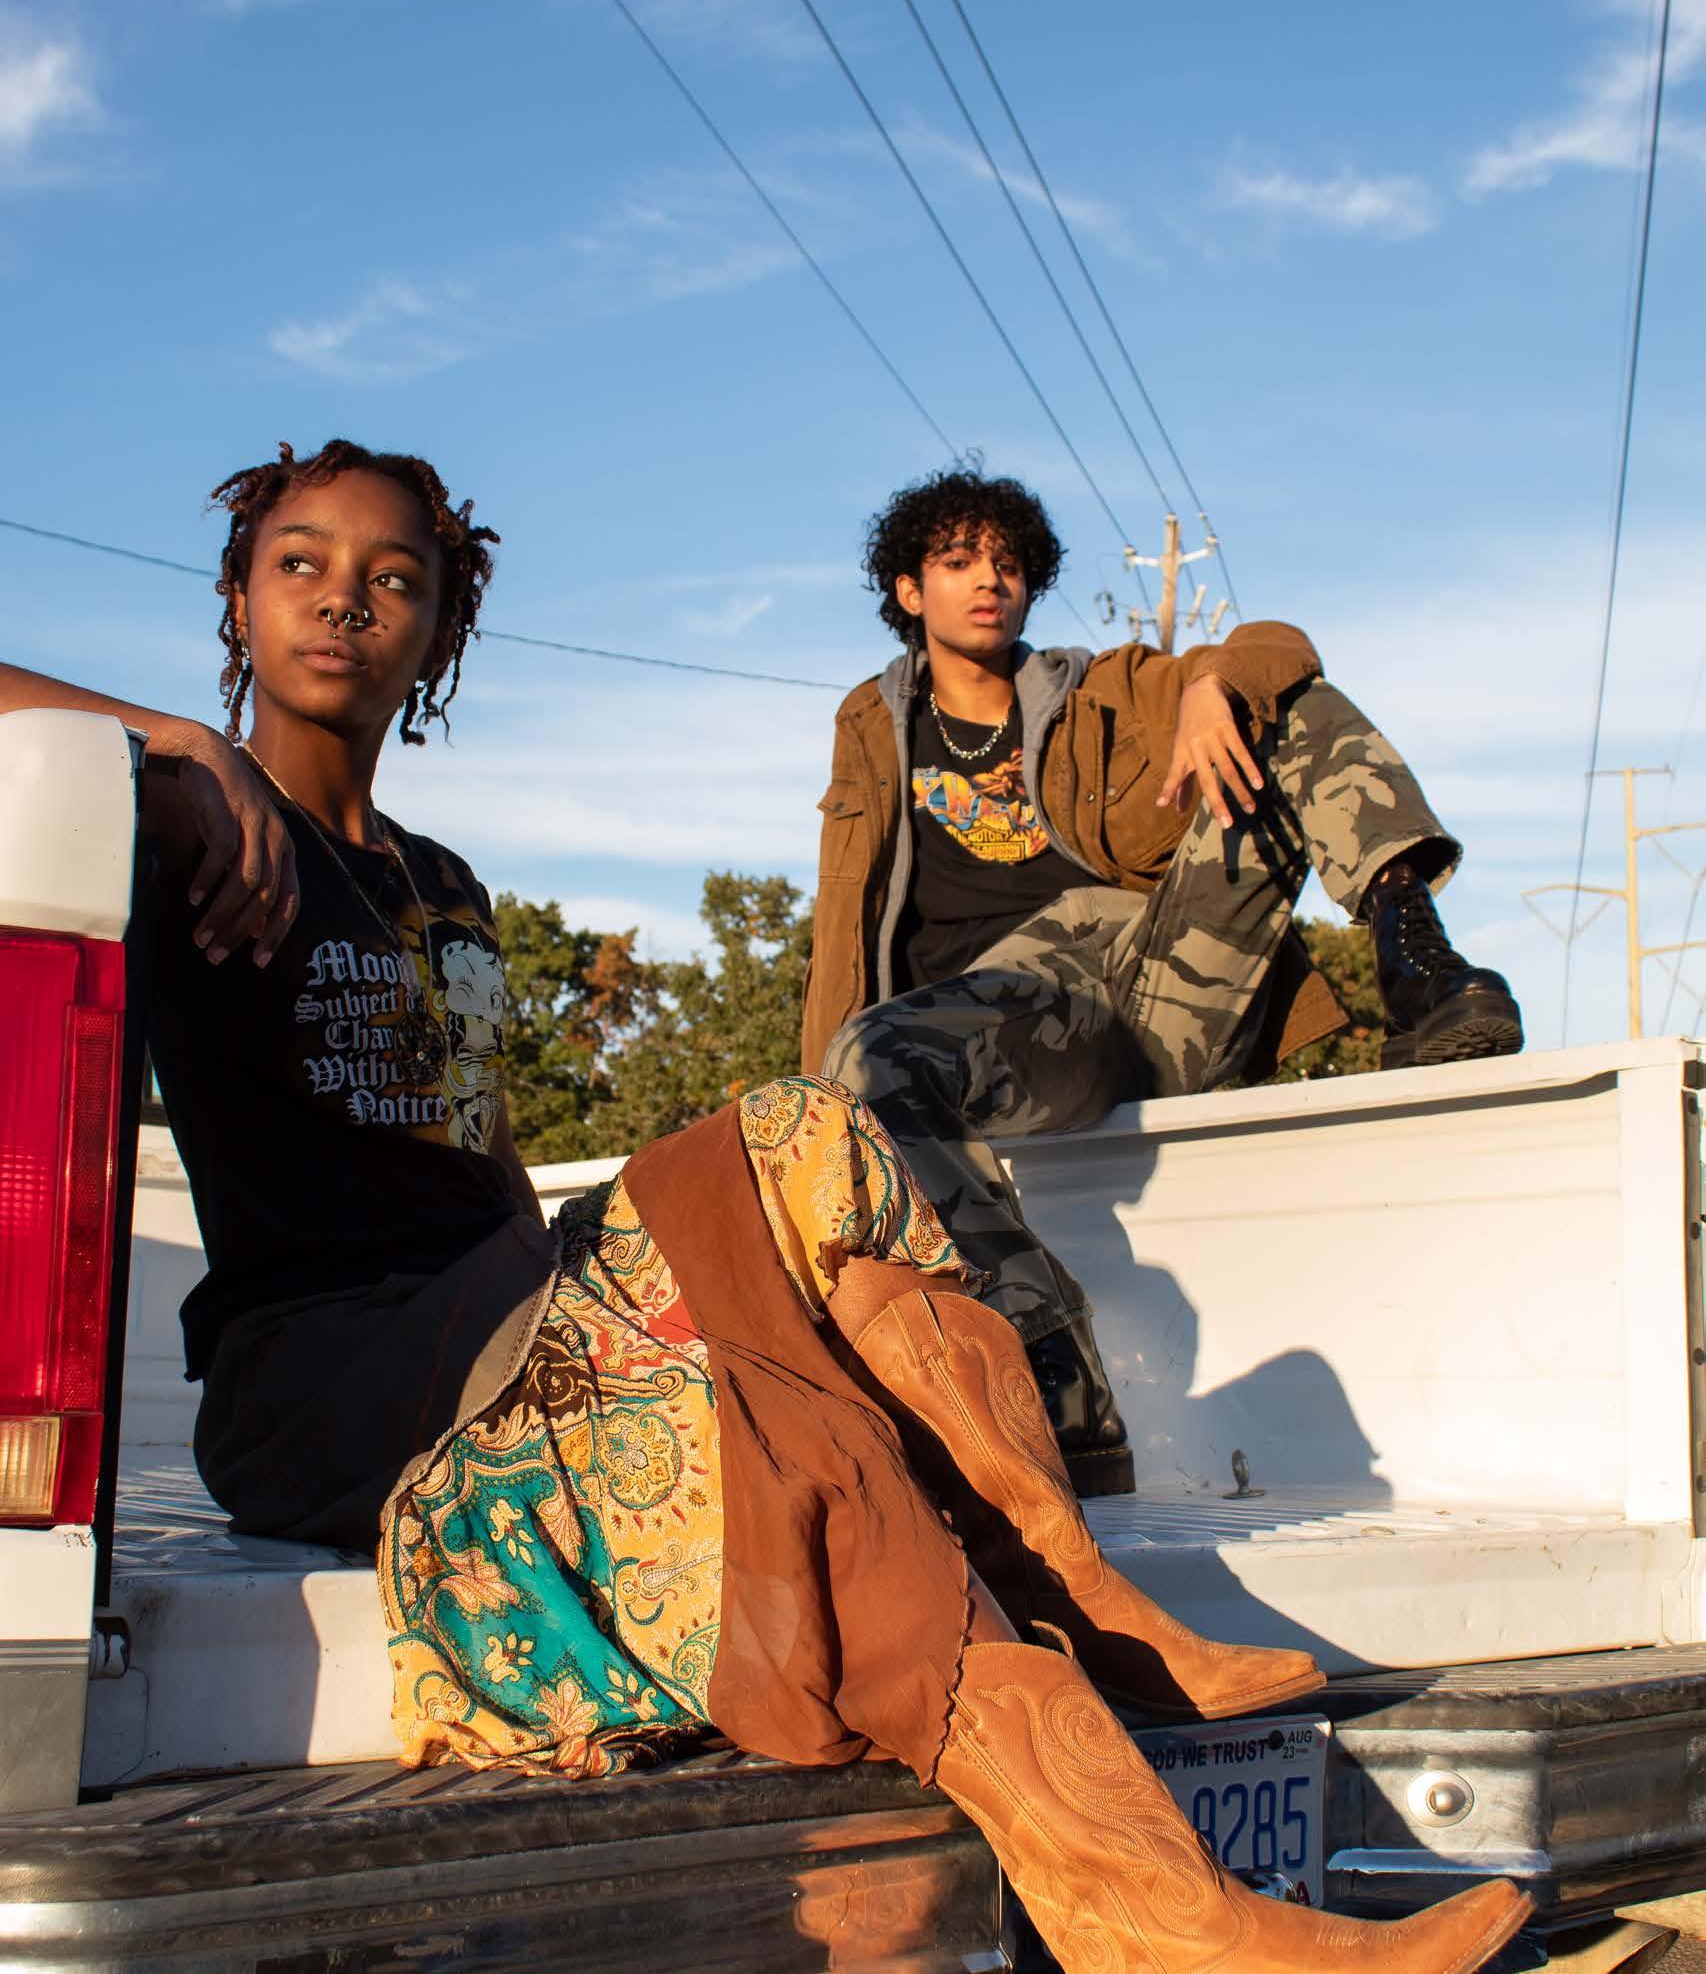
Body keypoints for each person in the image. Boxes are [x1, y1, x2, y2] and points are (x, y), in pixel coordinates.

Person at [0, 439, 1528, 1972]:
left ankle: (1104, 1742)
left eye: (393, 577)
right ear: (239, 595)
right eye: (302, 564)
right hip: (327, 1366)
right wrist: (168, 740)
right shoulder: (187, 811)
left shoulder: (443, 879)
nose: (344, 599)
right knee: (793, 1261)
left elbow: (475, 1155)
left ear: (440, 628)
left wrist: (643, 1283)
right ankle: (1131, 1795)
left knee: (814, 1244)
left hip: (499, 1307)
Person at [805, 465, 1523, 1491]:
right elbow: (839, 936)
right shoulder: (872, 729)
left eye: (1008, 562)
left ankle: (1416, 957)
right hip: (1002, 1025)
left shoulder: (1098, 688)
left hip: (1160, 978)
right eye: (958, 561)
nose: (989, 580)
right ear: (909, 589)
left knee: (1277, 707)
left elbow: (1279, 647)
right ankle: (1047, 1347)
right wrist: (817, 1130)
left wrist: (1210, 687)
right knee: (873, 1052)